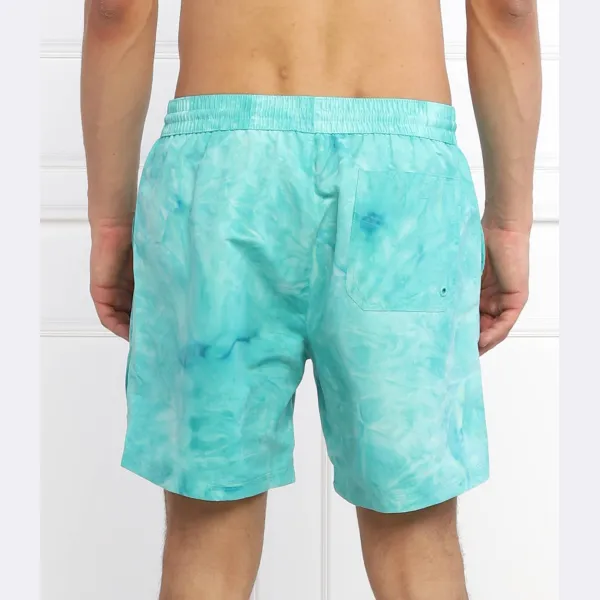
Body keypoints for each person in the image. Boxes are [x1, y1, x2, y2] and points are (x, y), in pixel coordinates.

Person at [81, 0, 541, 597]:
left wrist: (110, 225)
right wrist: (508, 225)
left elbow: (115, 12)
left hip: (222, 174)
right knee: (415, 536)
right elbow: (508, 11)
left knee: (207, 532)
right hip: (401, 183)